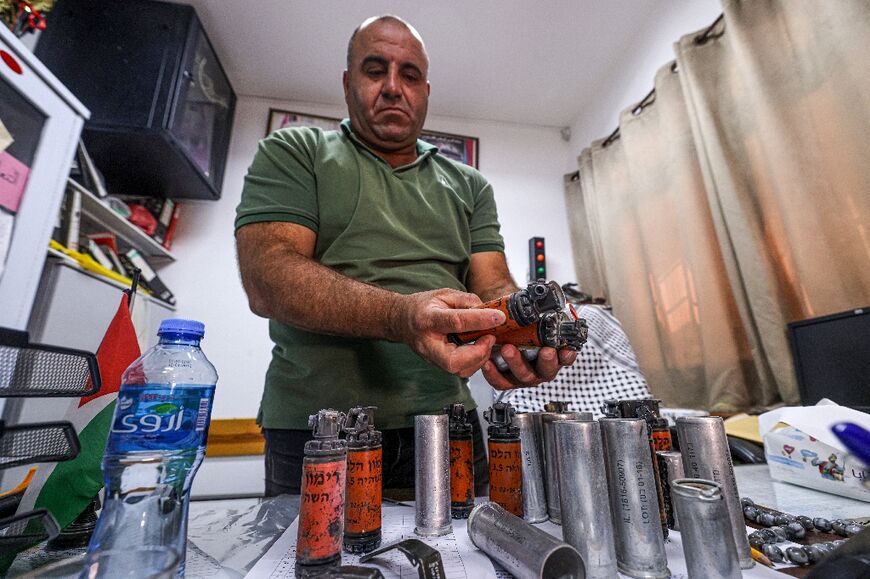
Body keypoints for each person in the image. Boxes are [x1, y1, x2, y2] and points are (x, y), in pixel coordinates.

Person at [234, 15, 576, 496]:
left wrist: (524, 331)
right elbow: (267, 277)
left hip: (449, 424)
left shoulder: (470, 185)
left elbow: (494, 286)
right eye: (376, 70)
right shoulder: (296, 150)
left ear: (426, 90)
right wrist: (400, 316)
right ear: (347, 82)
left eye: (410, 74)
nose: (394, 87)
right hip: (319, 429)